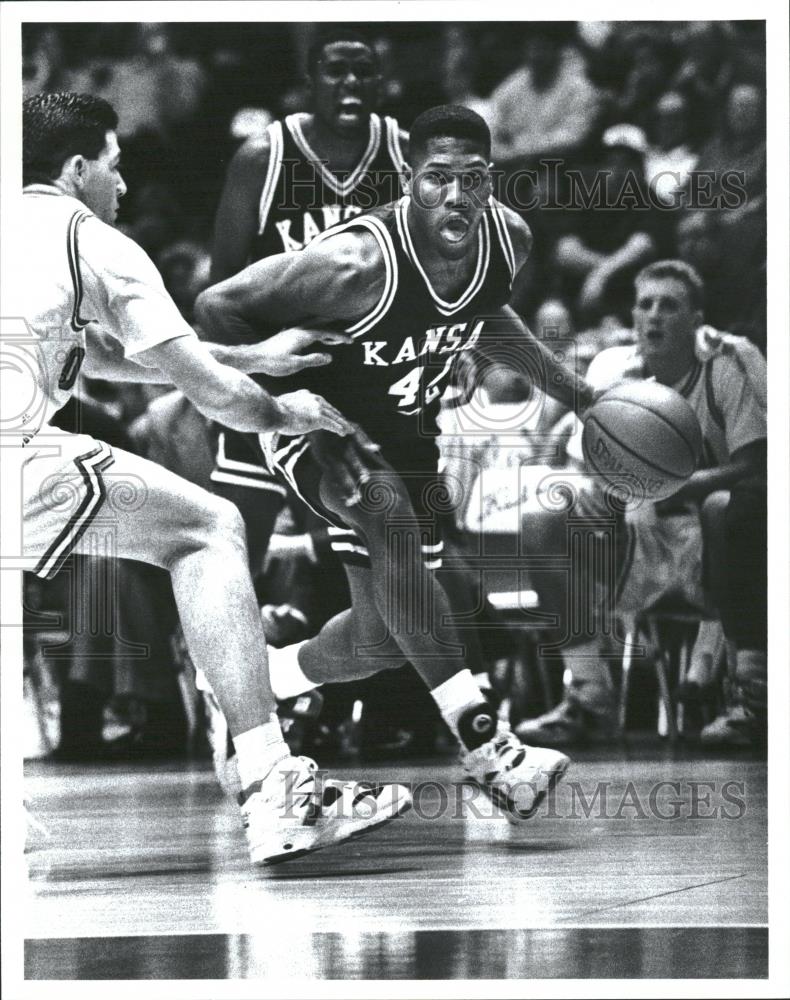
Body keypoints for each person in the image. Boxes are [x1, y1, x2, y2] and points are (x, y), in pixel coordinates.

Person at [14, 92, 410, 865]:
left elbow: (101, 353)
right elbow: (213, 398)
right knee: (209, 528)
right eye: (114, 167)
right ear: (76, 168)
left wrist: (253, 357)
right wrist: (288, 409)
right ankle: (273, 783)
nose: (122, 187)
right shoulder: (93, 241)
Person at [197, 105, 600, 819]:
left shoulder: (508, 241)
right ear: (408, 179)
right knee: (386, 516)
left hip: (409, 430)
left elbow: (483, 314)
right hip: (322, 423)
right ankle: (489, 750)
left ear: (491, 182)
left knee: (382, 640)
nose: (455, 196)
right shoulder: (354, 263)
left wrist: (578, 392)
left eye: (471, 180)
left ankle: (253, 684)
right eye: (436, 178)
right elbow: (218, 307)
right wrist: (295, 411)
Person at [516, 260, 766, 748]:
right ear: (632, 315)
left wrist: (667, 484)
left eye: (670, 305)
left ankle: (753, 700)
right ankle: (589, 696)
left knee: (723, 506)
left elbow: (756, 467)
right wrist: (622, 485)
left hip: (713, 544)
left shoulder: (729, 364)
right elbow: (585, 470)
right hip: (637, 538)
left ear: (696, 318)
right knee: (542, 520)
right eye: (645, 304)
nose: (655, 315)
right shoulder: (611, 368)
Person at [208, 27, 408, 570]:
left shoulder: (406, 157)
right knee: (239, 546)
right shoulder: (263, 157)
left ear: (381, 83)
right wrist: (256, 376)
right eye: (335, 71)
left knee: (384, 557)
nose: (350, 84)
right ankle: (213, 655)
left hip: (371, 378)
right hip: (274, 370)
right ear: (309, 82)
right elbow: (221, 282)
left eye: (363, 73)